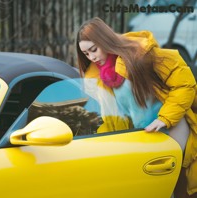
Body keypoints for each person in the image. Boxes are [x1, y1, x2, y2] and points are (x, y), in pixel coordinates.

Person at [76, 17, 197, 198]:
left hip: (171, 127)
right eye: (86, 54)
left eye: (94, 49)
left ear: (105, 41)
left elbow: (185, 84)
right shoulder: (101, 78)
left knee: (178, 186)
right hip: (143, 136)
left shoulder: (142, 55)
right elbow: (112, 119)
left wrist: (164, 119)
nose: (92, 57)